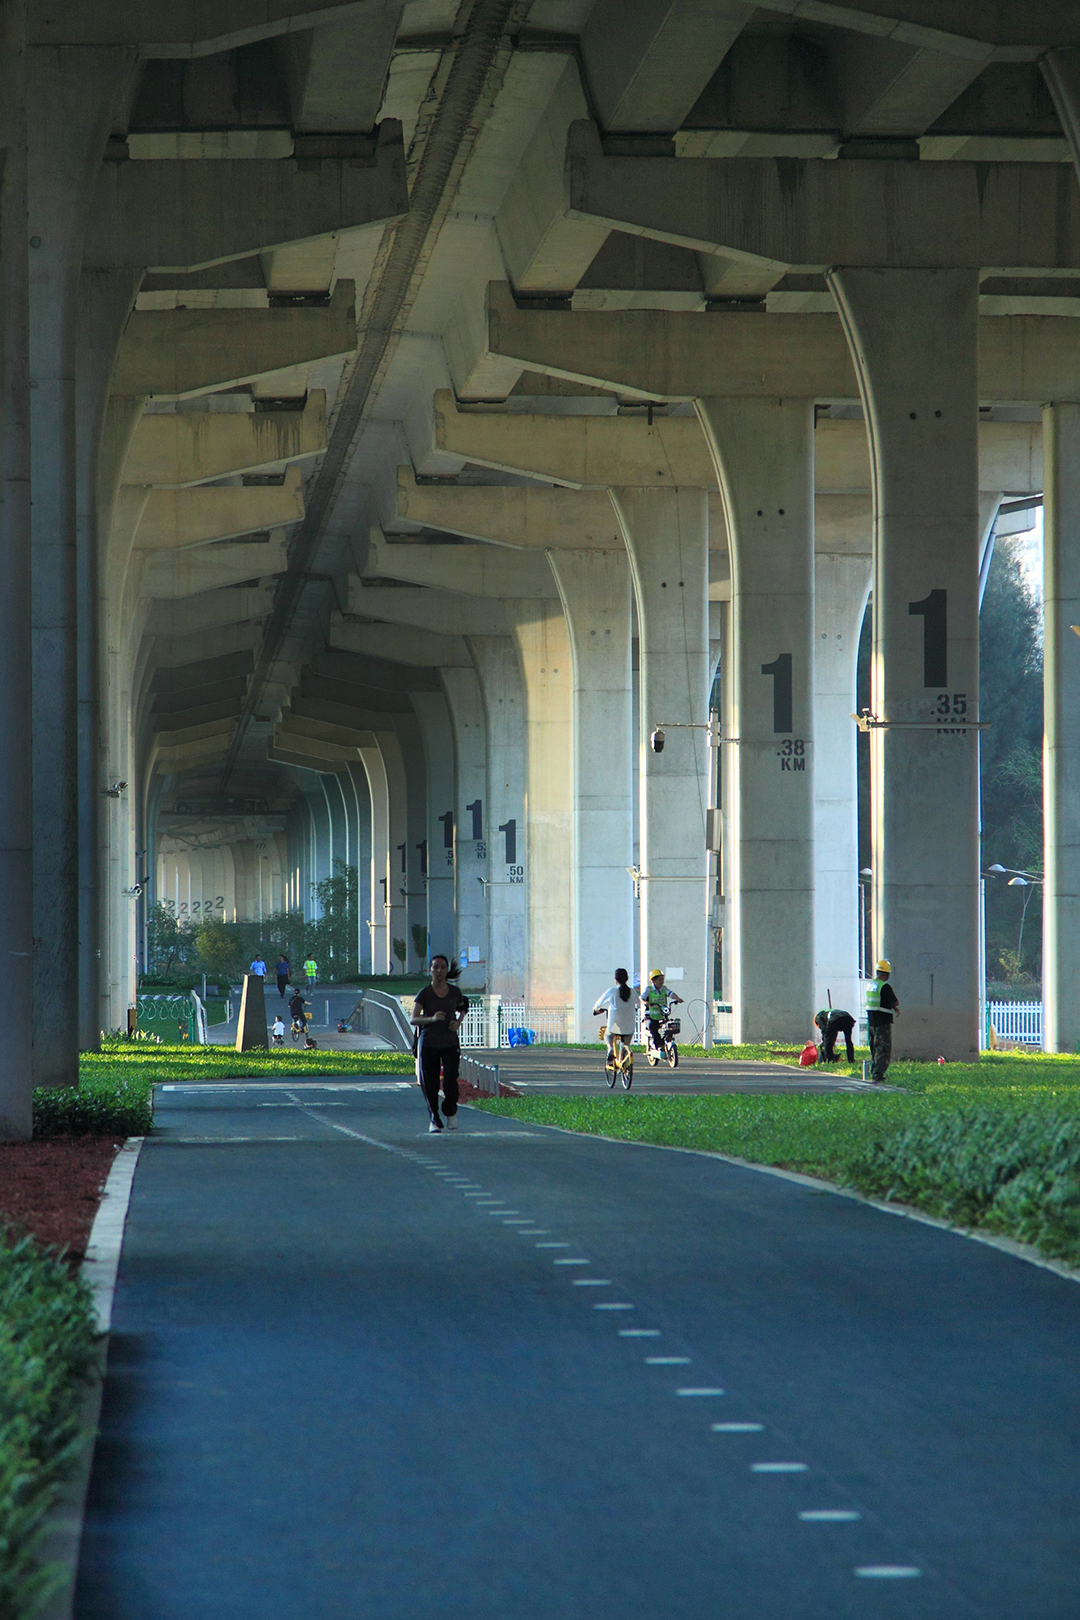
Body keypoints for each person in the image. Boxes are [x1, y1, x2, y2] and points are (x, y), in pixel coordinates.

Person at [411, 954, 468, 1133]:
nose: (439, 971)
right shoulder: (425, 993)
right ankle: (434, 1118)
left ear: (447, 970)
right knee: (431, 1083)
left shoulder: (454, 992)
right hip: (429, 1043)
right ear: (430, 971)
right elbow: (414, 1019)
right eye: (435, 967)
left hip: (450, 1043)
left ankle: (450, 1112)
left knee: (451, 1079)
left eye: (443, 967)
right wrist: (432, 1018)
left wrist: (458, 1022)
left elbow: (463, 1007)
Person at [865, 960, 899, 1082]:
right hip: (883, 1022)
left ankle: (873, 1071)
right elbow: (895, 1001)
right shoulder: (884, 986)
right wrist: (894, 1006)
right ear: (886, 974)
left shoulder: (871, 985)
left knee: (874, 1048)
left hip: (872, 1021)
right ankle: (878, 1075)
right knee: (883, 1049)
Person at [593, 967, 637, 1060]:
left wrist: (596, 1009)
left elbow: (598, 1004)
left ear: (615, 979)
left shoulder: (612, 991)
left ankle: (611, 1049)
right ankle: (624, 1058)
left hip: (614, 1026)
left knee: (608, 1035)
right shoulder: (633, 992)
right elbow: (640, 1004)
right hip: (629, 1026)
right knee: (626, 1043)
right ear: (627, 979)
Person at [641, 968, 683, 1056]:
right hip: (650, 1017)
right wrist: (647, 1003)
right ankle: (659, 1045)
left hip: (662, 1015)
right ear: (653, 981)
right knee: (652, 1027)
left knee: (671, 1026)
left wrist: (678, 999)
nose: (661, 982)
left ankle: (668, 1041)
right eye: (659, 980)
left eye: (662, 979)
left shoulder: (664, 989)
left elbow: (671, 993)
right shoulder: (649, 990)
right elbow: (641, 998)